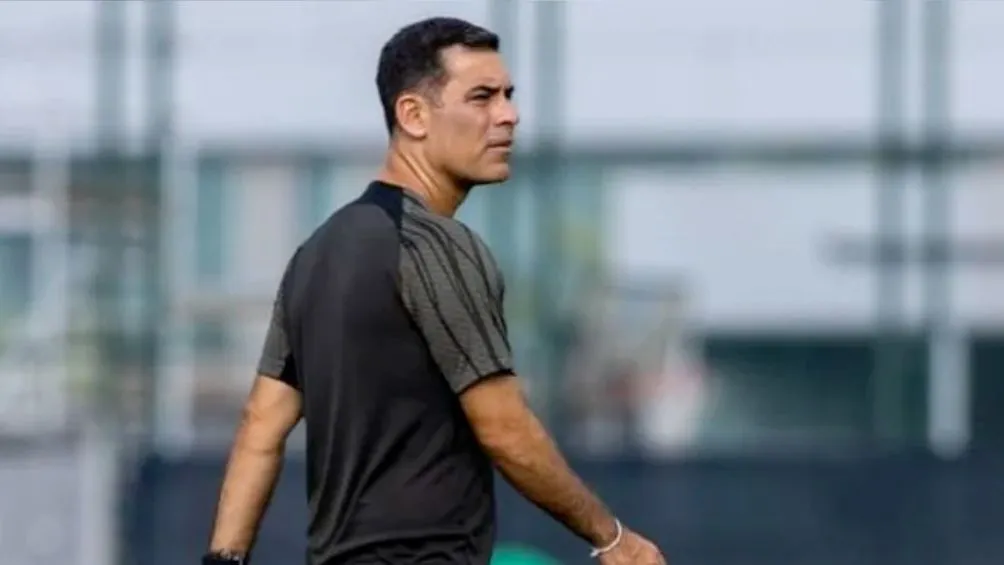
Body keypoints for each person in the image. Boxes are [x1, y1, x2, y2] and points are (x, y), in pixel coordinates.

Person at [202, 16, 666, 565]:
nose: (508, 115)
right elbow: (504, 429)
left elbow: (262, 424)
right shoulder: (438, 245)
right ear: (413, 115)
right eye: (482, 97)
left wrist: (222, 561)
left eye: (509, 96)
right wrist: (612, 538)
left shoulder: (315, 253)